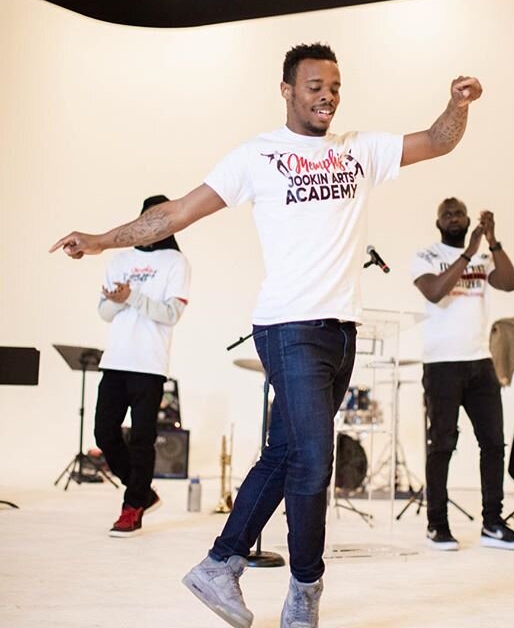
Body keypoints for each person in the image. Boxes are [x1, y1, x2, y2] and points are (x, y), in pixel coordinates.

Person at [51, 43, 482, 628]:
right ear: (286, 90)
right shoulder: (259, 155)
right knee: (312, 458)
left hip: (342, 331)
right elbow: (176, 213)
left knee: (284, 452)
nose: (326, 95)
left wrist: (457, 104)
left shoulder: (359, 150)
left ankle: (219, 565)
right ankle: (305, 588)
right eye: (313, 86)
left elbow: (438, 140)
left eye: (334, 85)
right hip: (287, 325)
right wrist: (104, 239)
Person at [411, 197, 514, 551]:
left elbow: (509, 283)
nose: (453, 218)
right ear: (438, 223)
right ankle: (437, 525)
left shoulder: (484, 253)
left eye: (458, 213)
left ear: (467, 219)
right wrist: (469, 253)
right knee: (442, 445)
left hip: (480, 361)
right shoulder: (426, 256)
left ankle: (492, 523)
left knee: (493, 443)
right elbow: (434, 293)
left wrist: (492, 241)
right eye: (446, 213)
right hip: (441, 363)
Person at [94, 194, 191, 538]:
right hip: (115, 360)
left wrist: (130, 297)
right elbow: (104, 313)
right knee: (104, 434)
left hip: (149, 364)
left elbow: (171, 314)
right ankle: (143, 492)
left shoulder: (176, 263)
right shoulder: (120, 259)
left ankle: (132, 507)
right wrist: (117, 300)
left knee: (141, 439)